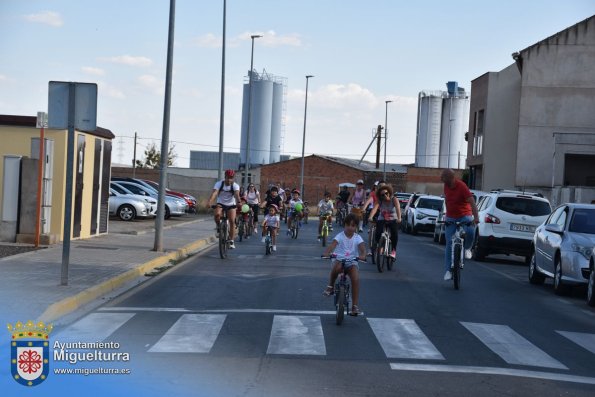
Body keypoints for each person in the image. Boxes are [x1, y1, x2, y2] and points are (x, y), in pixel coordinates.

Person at [322, 213, 366, 316]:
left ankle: (354, 306)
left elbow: (362, 248)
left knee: (355, 278)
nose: (350, 228)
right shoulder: (340, 236)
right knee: (336, 267)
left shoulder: (357, 237)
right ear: (344, 225)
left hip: (352, 260)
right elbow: (332, 245)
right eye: (348, 225)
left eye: (353, 225)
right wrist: (327, 253)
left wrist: (363, 255)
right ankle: (330, 286)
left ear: (356, 227)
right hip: (339, 258)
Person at [440, 169, 480, 281]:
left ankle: (467, 248)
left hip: (464, 215)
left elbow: (472, 202)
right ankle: (448, 270)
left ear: (450, 178)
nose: (441, 179)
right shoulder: (446, 186)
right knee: (448, 243)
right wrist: (446, 216)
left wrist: (475, 218)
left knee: (471, 230)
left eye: (443, 177)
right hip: (451, 216)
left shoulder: (462, 186)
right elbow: (448, 202)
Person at [208, 169, 241, 249]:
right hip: (221, 203)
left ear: (233, 178)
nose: (229, 179)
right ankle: (219, 227)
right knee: (217, 215)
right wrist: (210, 201)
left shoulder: (235, 185)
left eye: (231, 178)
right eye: (228, 177)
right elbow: (215, 193)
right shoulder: (219, 184)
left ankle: (231, 241)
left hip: (231, 205)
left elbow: (236, 194)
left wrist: (239, 202)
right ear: (225, 177)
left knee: (232, 221)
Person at [368, 184, 401, 259]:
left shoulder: (394, 199)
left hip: (393, 219)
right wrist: (370, 217)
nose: (385, 195)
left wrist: (399, 218)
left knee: (394, 233)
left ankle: (393, 251)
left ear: (389, 192)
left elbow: (398, 209)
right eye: (382, 195)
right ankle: (379, 246)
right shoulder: (379, 201)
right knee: (378, 232)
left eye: (386, 193)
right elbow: (374, 209)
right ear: (380, 196)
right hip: (382, 219)